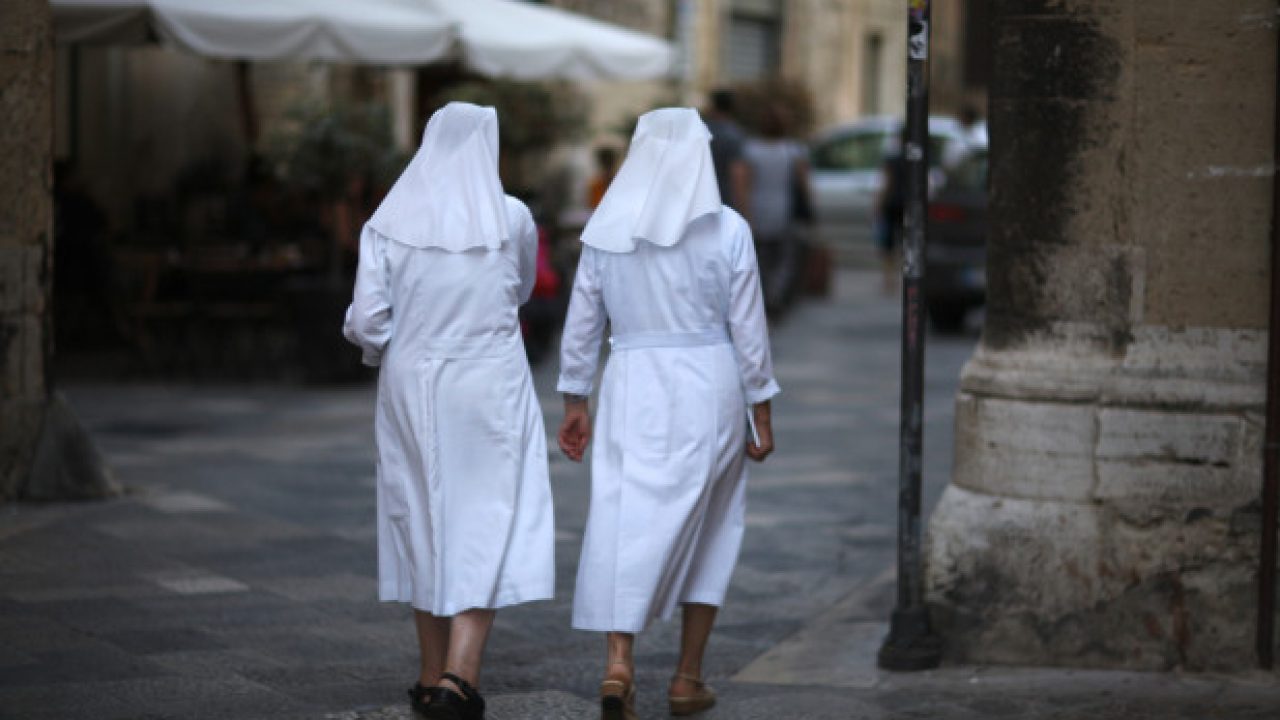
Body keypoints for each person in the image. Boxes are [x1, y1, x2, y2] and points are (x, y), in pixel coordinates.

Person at [557, 108, 780, 720]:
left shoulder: (607, 228)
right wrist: (761, 405)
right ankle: (686, 677)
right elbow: (749, 329)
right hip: (710, 382)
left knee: (622, 514)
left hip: (631, 381)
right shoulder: (728, 228)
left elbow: (582, 324)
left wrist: (576, 399)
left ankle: (618, 664)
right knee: (711, 523)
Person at [342, 102, 554, 720]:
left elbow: (367, 321)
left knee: (420, 513)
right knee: (488, 514)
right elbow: (517, 289)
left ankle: (431, 671)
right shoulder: (510, 215)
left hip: (413, 378)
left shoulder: (388, 220)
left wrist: (389, 344)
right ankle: (460, 675)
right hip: (489, 375)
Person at [742, 104, 813, 314]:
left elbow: (745, 184)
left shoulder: (750, 150)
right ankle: (776, 295)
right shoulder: (793, 150)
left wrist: (746, 214)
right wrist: (809, 209)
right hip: (784, 210)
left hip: (757, 209)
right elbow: (804, 184)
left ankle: (762, 298)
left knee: (760, 259)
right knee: (784, 259)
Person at [874, 127, 909, 295]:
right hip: (909, 203)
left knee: (889, 244)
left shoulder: (892, 159)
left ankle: (889, 280)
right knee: (906, 242)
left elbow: (886, 183)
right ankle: (905, 277)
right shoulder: (916, 160)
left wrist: (878, 203)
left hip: (892, 203)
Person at [702, 89, 749, 211]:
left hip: (700, 200)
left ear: (713, 106)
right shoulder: (734, 135)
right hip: (724, 203)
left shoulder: (701, 131)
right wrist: (744, 209)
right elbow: (737, 175)